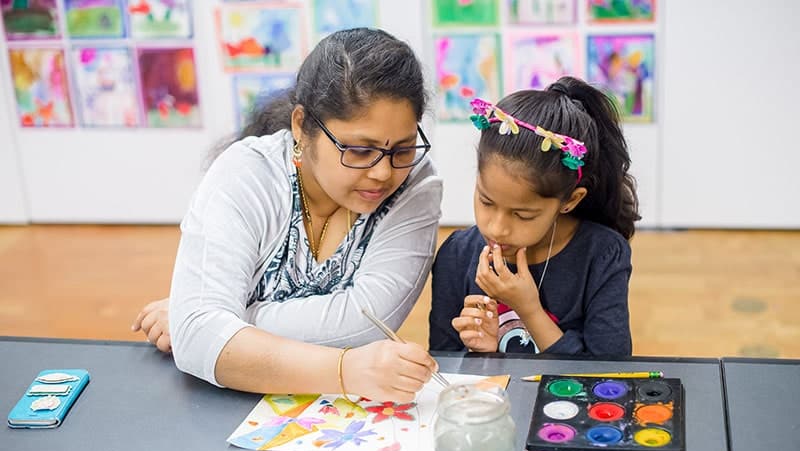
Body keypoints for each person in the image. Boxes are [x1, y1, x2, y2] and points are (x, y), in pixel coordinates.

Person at [132, 28, 442, 403]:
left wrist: (211, 321)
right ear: (301, 125)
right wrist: (344, 371)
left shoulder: (416, 183)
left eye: (403, 149)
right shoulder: (247, 174)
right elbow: (199, 339)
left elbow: (366, 322)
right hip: (220, 403)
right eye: (360, 150)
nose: (383, 172)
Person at [429, 76, 639, 356]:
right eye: (486, 201)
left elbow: (609, 372)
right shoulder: (456, 255)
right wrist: (482, 352)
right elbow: (444, 363)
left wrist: (528, 309)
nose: (497, 228)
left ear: (570, 201)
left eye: (523, 215)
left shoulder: (602, 255)